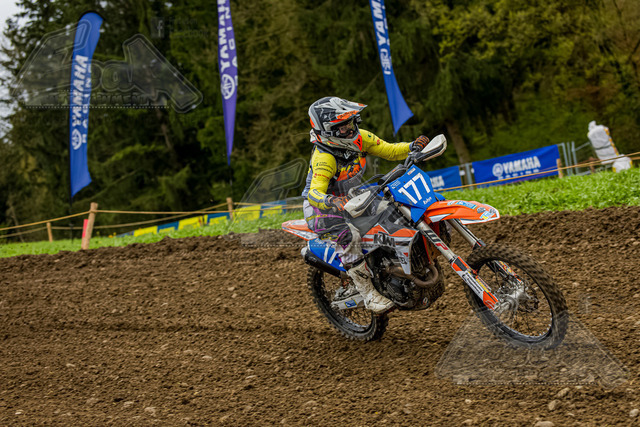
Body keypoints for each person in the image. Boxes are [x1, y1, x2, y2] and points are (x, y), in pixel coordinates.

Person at [301, 96, 430, 314]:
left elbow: (390, 150)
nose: (350, 130)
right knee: (350, 238)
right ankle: (369, 294)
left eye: (351, 123)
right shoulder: (324, 157)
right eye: (342, 127)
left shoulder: (361, 138)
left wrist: (412, 147)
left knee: (393, 209)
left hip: (353, 198)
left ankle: (397, 267)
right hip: (321, 209)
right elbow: (315, 193)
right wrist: (331, 201)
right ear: (327, 131)